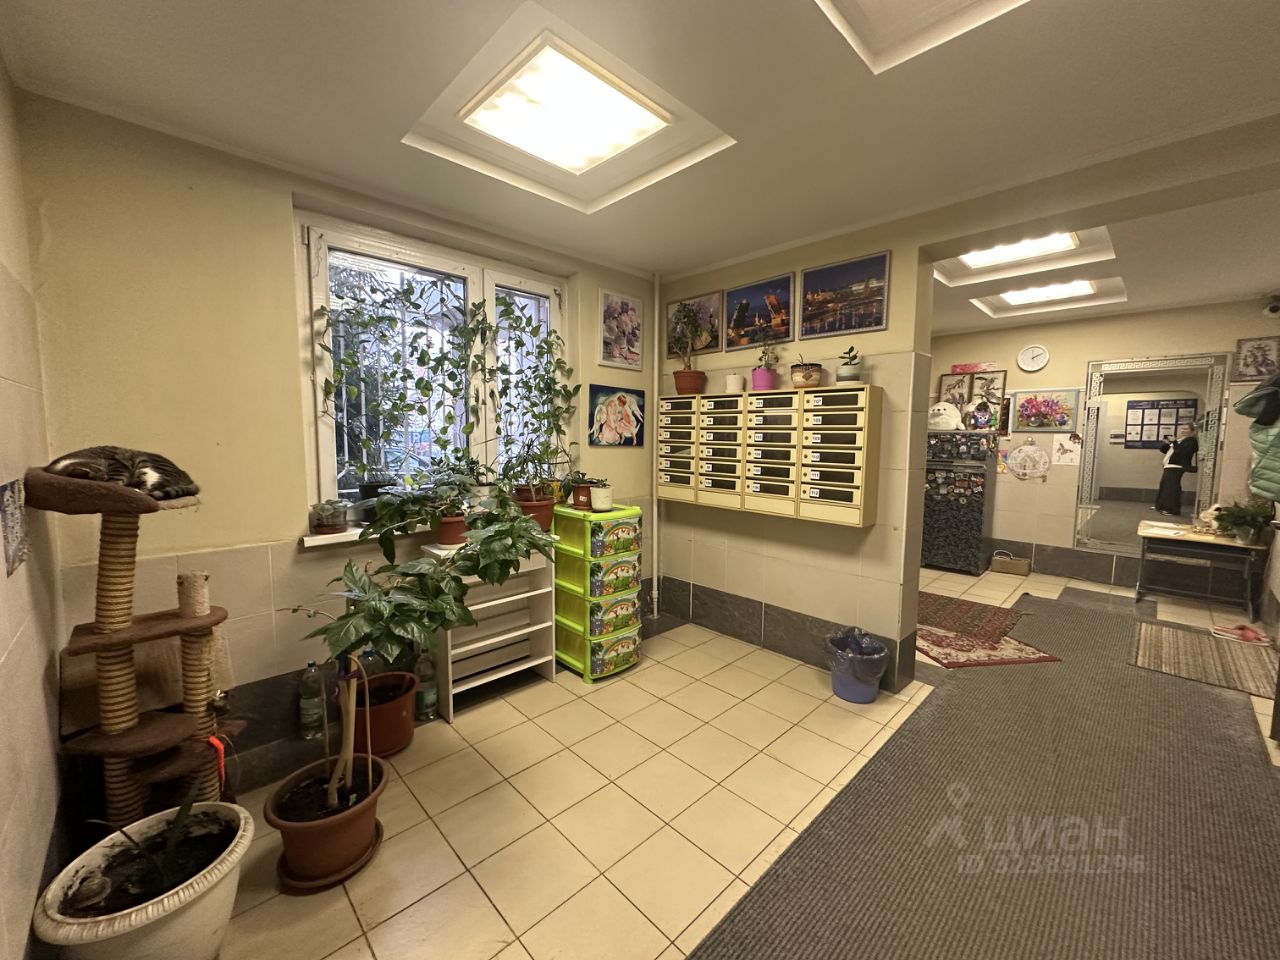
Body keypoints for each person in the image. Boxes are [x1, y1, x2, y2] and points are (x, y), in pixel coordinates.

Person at [1154, 423, 1198, 516]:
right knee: (1164, 486)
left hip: (1177, 466)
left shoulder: (1191, 441)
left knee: (1172, 488)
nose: (1183, 431)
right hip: (1169, 466)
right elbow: (1164, 450)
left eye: (1186, 429)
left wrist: (1174, 442)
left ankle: (1172, 509)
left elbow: (1182, 453)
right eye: (1182, 429)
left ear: (1192, 431)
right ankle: (1161, 506)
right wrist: (1167, 443)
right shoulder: (1179, 440)